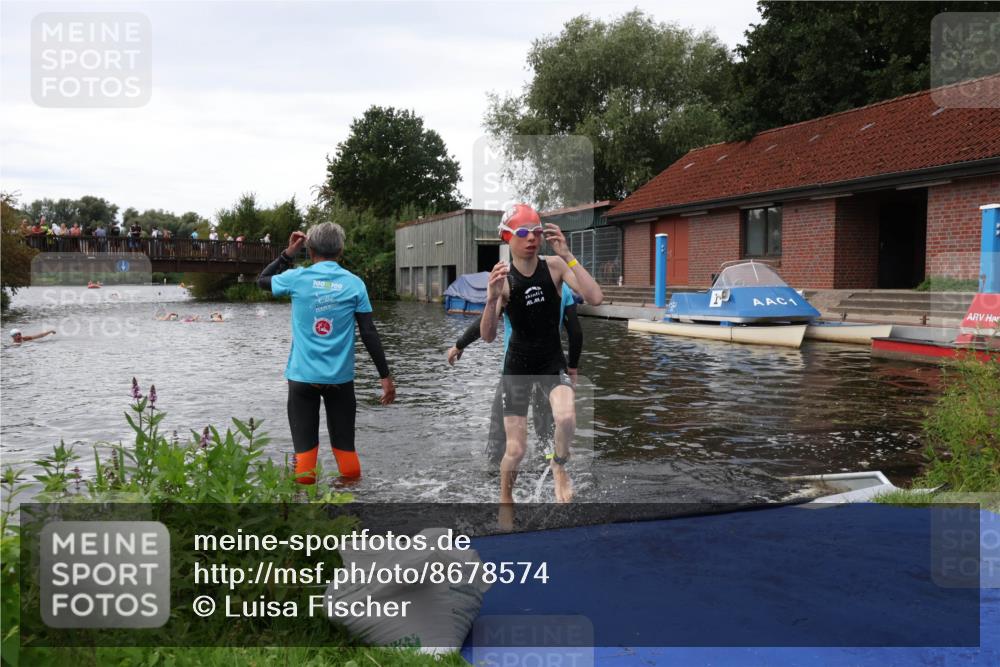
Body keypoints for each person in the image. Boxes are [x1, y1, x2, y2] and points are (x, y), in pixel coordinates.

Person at [480, 204, 602, 505]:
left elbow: (596, 298)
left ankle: (558, 465)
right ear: (508, 237)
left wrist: (568, 255)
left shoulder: (555, 267)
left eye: (536, 232)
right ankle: (505, 499)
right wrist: (492, 299)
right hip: (517, 367)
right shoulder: (504, 279)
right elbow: (487, 335)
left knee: (567, 418)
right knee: (516, 451)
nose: (532, 239)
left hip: (550, 361)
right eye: (523, 233)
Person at [257, 223, 396, 484]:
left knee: (305, 455)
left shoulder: (297, 278)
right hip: (340, 381)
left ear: (309, 250)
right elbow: (368, 333)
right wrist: (385, 377)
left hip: (302, 378)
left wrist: (287, 254)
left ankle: (305, 514)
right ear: (341, 250)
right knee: (346, 451)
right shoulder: (354, 284)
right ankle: (350, 509)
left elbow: (262, 280)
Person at [448, 282, 583, 466]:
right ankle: (550, 473)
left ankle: (495, 477)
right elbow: (575, 331)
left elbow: (486, 322)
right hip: (549, 369)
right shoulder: (562, 287)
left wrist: (460, 344)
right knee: (547, 432)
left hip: (515, 369)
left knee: (500, 431)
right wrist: (573, 367)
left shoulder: (512, 284)